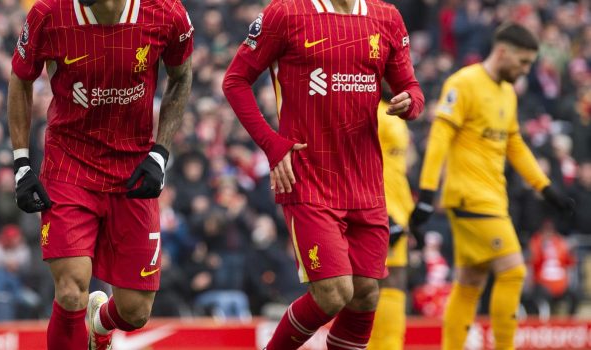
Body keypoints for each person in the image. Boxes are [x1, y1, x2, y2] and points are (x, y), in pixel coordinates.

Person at [223, 0, 424, 348]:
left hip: (366, 186)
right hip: (309, 178)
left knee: (365, 295)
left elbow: (411, 86)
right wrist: (273, 144)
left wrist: (411, 102)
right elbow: (235, 81)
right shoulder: (286, 13)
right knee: (333, 293)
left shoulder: (387, 17)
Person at [7, 0, 193, 348]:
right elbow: (20, 78)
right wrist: (21, 163)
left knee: (136, 312)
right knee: (71, 290)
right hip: (69, 167)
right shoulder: (49, 14)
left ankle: (102, 323)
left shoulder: (166, 13)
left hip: (133, 171)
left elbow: (181, 78)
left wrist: (161, 153)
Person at [409, 22, 575, 349]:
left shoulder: (506, 93)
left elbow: (514, 144)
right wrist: (427, 194)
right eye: (523, 62)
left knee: (470, 282)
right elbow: (440, 138)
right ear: (502, 52)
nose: (526, 70)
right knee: (513, 271)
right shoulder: (464, 83)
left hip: (492, 198)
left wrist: (545, 188)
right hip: (470, 198)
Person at [368, 93, 415, 349]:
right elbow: (359, 162)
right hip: (379, 210)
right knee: (377, 281)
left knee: (394, 280)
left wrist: (408, 214)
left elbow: (396, 170)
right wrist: (381, 213)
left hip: (398, 211)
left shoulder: (393, 112)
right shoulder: (372, 111)